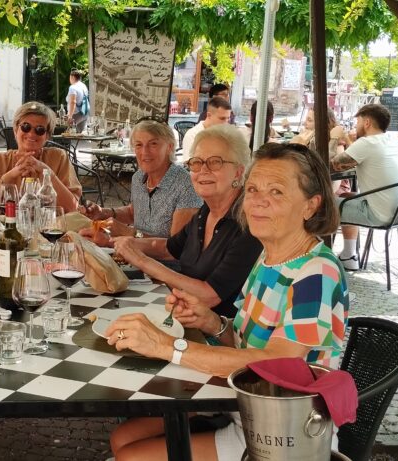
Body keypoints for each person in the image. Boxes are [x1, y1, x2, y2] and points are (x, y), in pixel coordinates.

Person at [105, 142, 349, 461]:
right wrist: (211, 322)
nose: (258, 201)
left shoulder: (317, 273)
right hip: (242, 406)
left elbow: (275, 364)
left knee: (131, 455)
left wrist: (167, 346)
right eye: (253, 189)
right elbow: (245, 344)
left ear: (310, 205)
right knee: (122, 437)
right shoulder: (269, 258)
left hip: (285, 435)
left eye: (276, 192)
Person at [108, 125, 262, 317]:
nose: (203, 170)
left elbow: (210, 295)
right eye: (196, 162)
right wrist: (119, 242)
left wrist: (142, 261)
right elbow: (169, 248)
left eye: (215, 162)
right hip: (185, 314)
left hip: (219, 329)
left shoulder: (249, 222)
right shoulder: (206, 212)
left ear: (238, 172)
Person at [78, 120, 202, 240]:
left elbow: (176, 247)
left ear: (170, 147)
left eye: (153, 144)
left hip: (159, 255)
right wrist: (102, 213)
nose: (144, 151)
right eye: (139, 145)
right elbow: (133, 213)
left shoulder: (186, 185)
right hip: (132, 250)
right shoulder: (138, 177)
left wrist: (129, 233)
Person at [330, 103, 398, 271]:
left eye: (358, 121)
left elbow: (335, 165)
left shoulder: (367, 143)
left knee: (322, 206)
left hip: (380, 214)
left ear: (367, 122)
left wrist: (339, 137)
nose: (356, 125)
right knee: (346, 196)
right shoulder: (392, 140)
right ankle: (349, 255)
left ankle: (318, 258)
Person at [0, 102, 83, 214]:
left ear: (47, 136)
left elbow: (72, 207)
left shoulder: (58, 158)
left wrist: (46, 172)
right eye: (26, 127)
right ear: (15, 130)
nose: (31, 134)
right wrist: (9, 176)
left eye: (39, 130)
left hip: (49, 224)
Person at [180, 96, 233, 161]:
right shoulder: (192, 135)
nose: (226, 123)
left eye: (228, 118)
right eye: (222, 118)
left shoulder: (226, 134)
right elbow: (189, 163)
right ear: (209, 115)